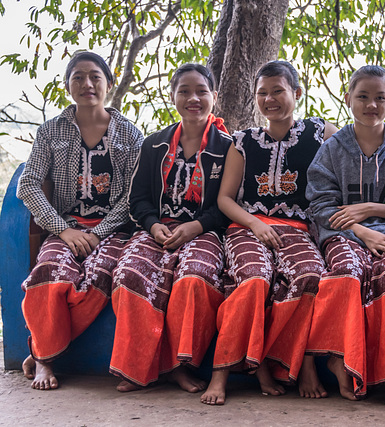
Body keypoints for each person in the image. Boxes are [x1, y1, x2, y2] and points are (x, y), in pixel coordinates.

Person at [201, 60, 338, 405]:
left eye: (278, 90)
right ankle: (220, 373)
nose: (270, 99)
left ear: (297, 93)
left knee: (311, 277)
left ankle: (297, 364)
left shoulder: (321, 133)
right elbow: (225, 199)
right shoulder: (243, 141)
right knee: (254, 279)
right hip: (248, 227)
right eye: (262, 92)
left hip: (297, 231)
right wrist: (255, 223)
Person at [17, 51, 143, 390]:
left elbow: (133, 197)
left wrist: (98, 232)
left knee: (100, 280)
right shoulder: (50, 132)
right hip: (65, 226)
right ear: (68, 85)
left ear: (108, 84)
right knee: (46, 275)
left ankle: (40, 349)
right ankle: (45, 360)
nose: (87, 83)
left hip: (113, 232)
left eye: (95, 77)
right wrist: (63, 230)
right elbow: (27, 184)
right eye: (78, 77)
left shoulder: (130, 135)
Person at [109, 63, 232, 392]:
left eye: (201, 91)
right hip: (156, 230)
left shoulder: (229, 148)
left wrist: (198, 226)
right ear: (173, 97)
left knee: (194, 279)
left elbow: (232, 202)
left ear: (214, 97)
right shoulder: (153, 145)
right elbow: (138, 199)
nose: (193, 98)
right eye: (184, 91)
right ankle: (137, 368)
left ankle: (179, 366)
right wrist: (151, 225)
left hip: (206, 233)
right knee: (129, 274)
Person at [304, 65, 385, 401]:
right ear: (348, 99)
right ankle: (338, 358)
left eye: (379, 97)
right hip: (342, 234)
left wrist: (372, 209)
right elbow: (320, 206)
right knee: (347, 273)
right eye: (363, 97)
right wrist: (360, 230)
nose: (371, 104)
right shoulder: (331, 149)